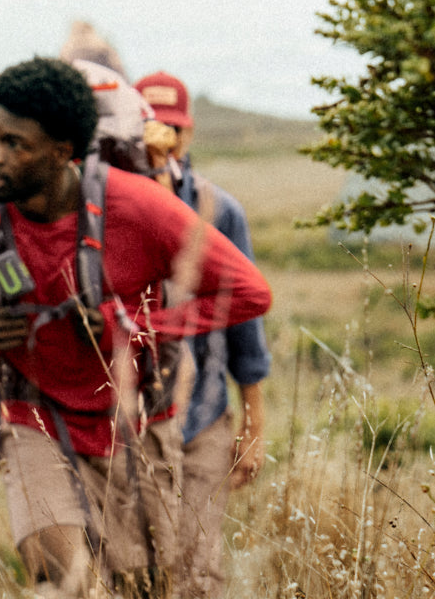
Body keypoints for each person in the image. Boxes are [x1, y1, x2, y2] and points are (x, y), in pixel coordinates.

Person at [0, 58, 271, 598]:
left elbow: (250, 293)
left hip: (137, 424)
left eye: (14, 144)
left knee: (152, 586)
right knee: (66, 582)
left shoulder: (141, 208)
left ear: (63, 149)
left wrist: (135, 326)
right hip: (33, 418)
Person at [135, 72, 271, 599]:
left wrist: (253, 427)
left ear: (189, 133)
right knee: (131, 569)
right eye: (153, 128)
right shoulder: (108, 209)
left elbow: (245, 330)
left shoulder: (220, 211)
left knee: (197, 572)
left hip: (202, 418)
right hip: (126, 424)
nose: (164, 140)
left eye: (174, 129)